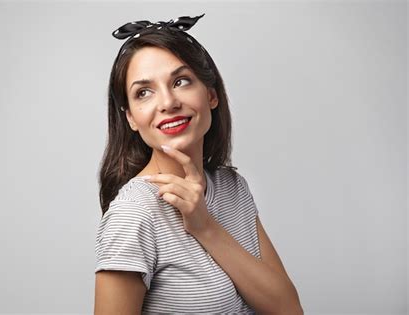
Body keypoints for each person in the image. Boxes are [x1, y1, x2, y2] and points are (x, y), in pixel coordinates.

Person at [94, 14, 303, 314]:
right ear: (131, 118)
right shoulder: (133, 214)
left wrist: (206, 227)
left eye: (180, 81)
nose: (167, 102)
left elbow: (289, 309)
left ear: (211, 94)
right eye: (144, 92)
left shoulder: (232, 188)